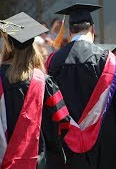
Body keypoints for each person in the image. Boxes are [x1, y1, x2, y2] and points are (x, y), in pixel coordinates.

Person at [46, 3, 116, 169]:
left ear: (69, 31)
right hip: (104, 143)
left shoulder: (53, 61)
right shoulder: (108, 59)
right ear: (93, 29)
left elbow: (49, 104)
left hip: (66, 145)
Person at [0, 12, 70, 168]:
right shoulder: (44, 81)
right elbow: (63, 122)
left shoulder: (1, 80)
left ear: (9, 45)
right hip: (38, 161)